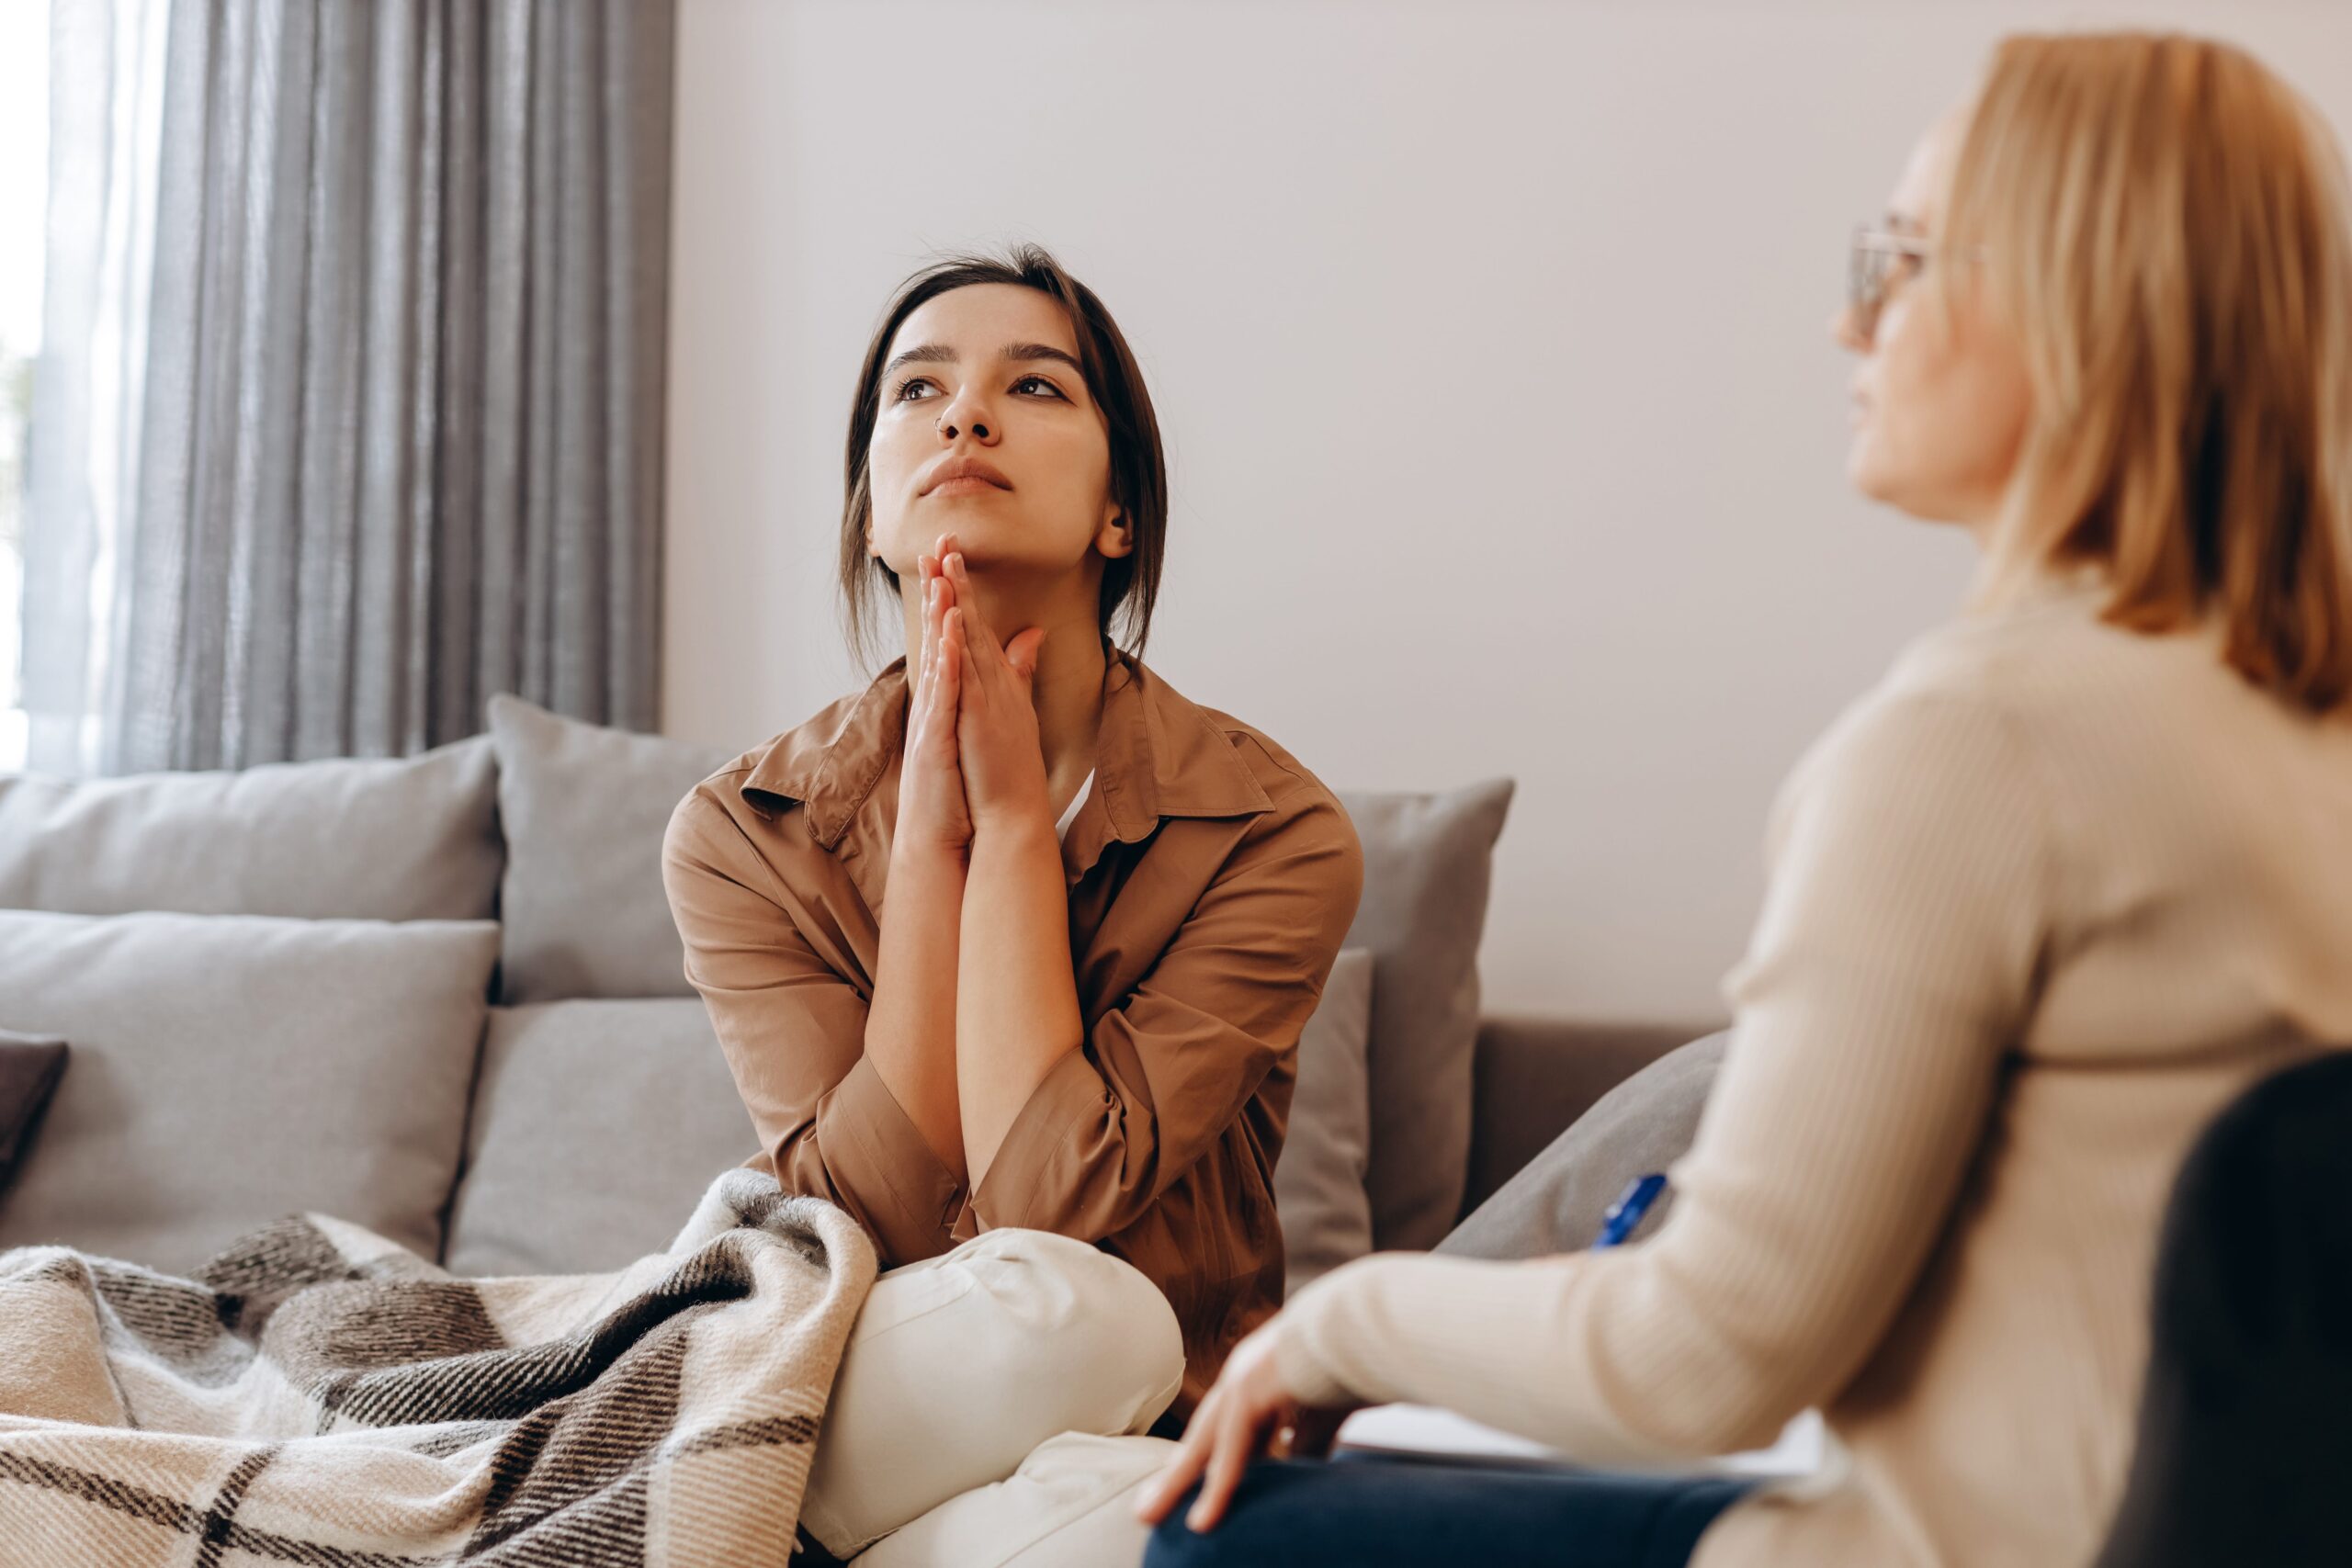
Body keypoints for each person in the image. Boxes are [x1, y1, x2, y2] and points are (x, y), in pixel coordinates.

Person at [1139, 30, 2352, 1568]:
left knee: (1214, 1533)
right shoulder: (2305, 739)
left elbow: (1708, 1354)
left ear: (2072, 292)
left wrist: (1343, 1321)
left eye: (1901, 258)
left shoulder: (1977, 746)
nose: (1851, 323)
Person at [662, 245, 1363, 1566]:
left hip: (1138, 1425)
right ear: (873, 513)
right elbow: (875, 1227)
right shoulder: (739, 835)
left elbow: (1045, 1200)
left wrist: (1017, 830)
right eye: (917, 390)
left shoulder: (1273, 833)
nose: (965, 415)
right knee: (1070, 1320)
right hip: (860, 1388)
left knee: (1100, 1456)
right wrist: (936, 834)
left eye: (1034, 387)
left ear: (1121, 516)